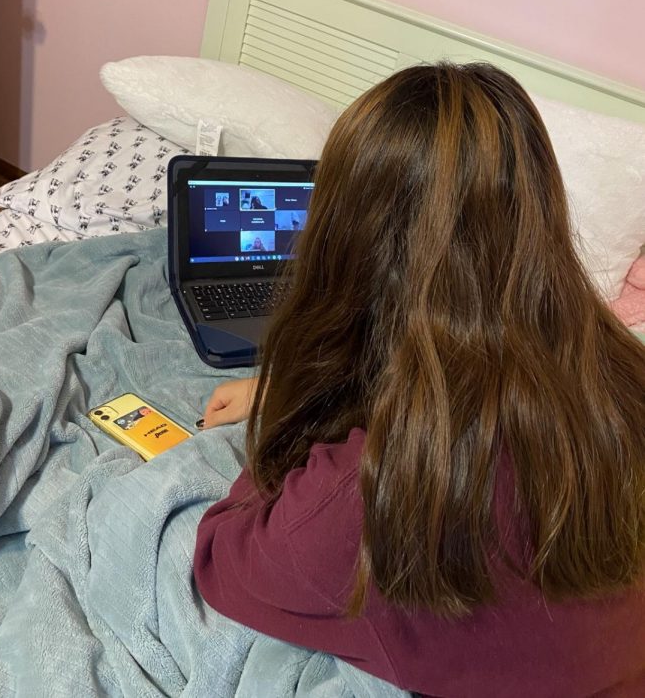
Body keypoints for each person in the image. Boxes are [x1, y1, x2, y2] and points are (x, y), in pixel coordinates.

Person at [193, 63, 645, 697]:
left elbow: (223, 562)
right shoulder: (623, 376)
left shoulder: (372, 488)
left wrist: (294, 397)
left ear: (343, 241)